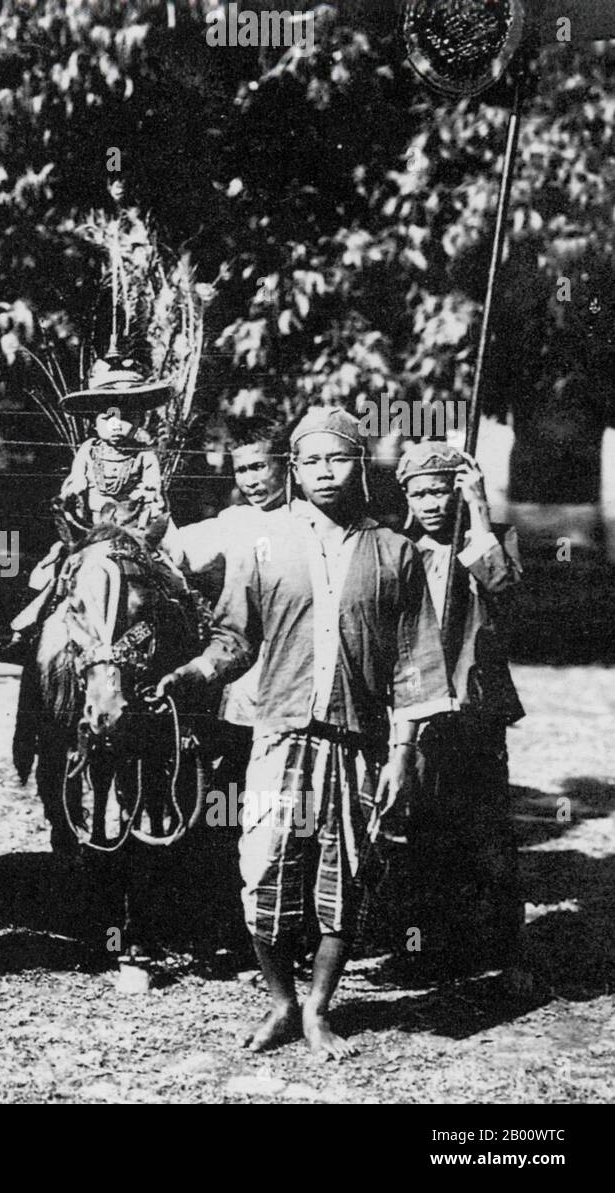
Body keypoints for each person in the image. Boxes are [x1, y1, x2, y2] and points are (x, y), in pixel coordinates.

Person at [155, 407, 453, 1058]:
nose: (324, 470)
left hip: (356, 742)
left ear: (359, 464)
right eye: (311, 459)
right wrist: (196, 670)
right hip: (280, 734)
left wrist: (402, 752)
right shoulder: (266, 544)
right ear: (295, 466)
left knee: (345, 875)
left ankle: (319, 1008)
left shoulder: (395, 552)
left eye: (337, 457)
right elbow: (235, 636)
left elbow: (413, 663)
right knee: (263, 870)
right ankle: (282, 1002)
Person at [396, 440, 527, 983]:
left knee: (486, 829)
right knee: (423, 831)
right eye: (419, 493)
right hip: (419, 706)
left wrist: (477, 510)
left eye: (441, 491)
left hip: (475, 705)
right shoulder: (398, 549)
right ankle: (426, 947)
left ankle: (503, 953)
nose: (431, 503)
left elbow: (500, 583)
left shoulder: (488, 540)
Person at [158, 414, 289, 949]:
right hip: (243, 694)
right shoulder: (234, 524)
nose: (253, 479)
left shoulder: (313, 521)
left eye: (261, 465)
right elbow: (172, 552)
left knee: (294, 818)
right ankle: (225, 930)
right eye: (243, 470)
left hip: (303, 694)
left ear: (287, 464)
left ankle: (290, 929)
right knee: (227, 810)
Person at [0, 352, 170, 665]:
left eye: (124, 416)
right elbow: (74, 482)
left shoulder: (145, 455)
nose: (116, 425)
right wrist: (71, 495)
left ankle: (179, 629)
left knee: (168, 576)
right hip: (91, 533)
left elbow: (153, 490)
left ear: (138, 420)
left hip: (133, 532)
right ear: (94, 421)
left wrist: (147, 499)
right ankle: (25, 633)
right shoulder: (88, 451)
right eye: (107, 417)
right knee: (55, 570)